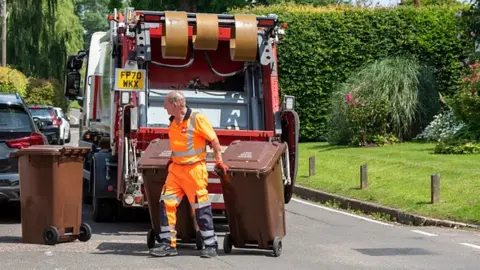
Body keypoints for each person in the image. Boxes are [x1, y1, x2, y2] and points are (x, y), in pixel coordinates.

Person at [149, 90, 228, 258]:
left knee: (201, 206)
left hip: (194, 170)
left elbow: (214, 140)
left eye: (166, 104)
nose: (164, 107)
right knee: (166, 203)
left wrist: (219, 161)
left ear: (175, 104)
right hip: (176, 170)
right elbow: (179, 146)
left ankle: (210, 245)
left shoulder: (197, 119)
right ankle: (168, 244)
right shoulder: (173, 121)